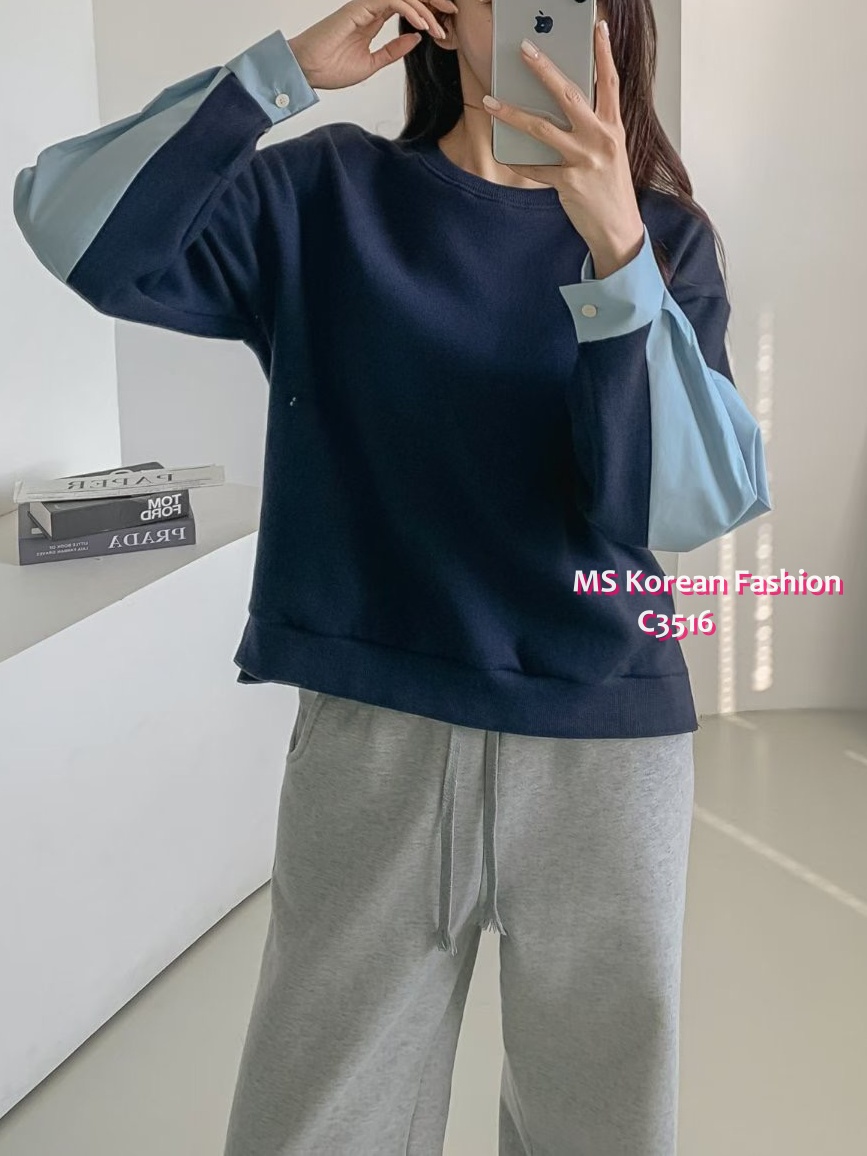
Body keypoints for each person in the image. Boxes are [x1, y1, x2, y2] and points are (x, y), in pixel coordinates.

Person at [13, 1, 771, 1152]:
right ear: (440, 14)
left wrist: (619, 251)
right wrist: (274, 75)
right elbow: (76, 228)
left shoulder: (661, 239)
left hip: (605, 752)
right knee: (313, 1126)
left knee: (603, 1130)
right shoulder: (329, 195)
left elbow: (679, 507)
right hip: (374, 736)